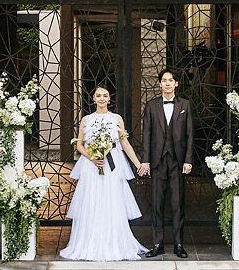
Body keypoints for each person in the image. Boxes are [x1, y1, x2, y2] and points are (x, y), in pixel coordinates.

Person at [60, 85, 148, 261]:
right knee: (92, 202)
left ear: (109, 99)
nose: (101, 98)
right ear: (93, 99)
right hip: (92, 167)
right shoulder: (86, 120)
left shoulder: (117, 119)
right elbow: (79, 145)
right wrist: (92, 158)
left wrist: (139, 164)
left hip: (113, 166)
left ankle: (114, 243)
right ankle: (89, 243)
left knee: (112, 201)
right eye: (98, 95)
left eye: (105, 95)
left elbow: (125, 144)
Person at [137, 68, 194, 258]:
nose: (167, 83)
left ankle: (179, 244)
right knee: (157, 204)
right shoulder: (151, 106)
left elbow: (190, 135)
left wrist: (188, 160)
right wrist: (145, 160)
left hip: (177, 161)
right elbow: (146, 135)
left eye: (171, 80)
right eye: (164, 80)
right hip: (157, 161)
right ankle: (157, 243)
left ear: (176, 83)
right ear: (160, 83)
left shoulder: (185, 104)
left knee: (178, 204)